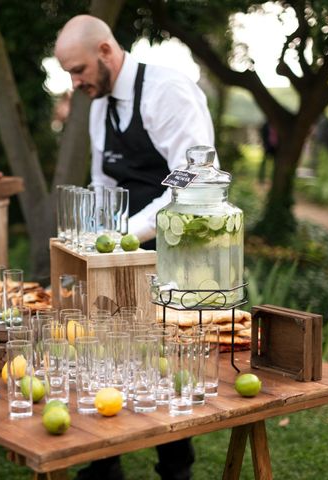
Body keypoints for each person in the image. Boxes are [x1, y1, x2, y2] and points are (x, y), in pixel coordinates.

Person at [55, 15, 215, 480]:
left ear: (106, 51)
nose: (75, 81)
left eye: (78, 69)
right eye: (69, 73)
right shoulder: (101, 102)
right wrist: (92, 235)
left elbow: (193, 177)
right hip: (120, 251)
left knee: (163, 358)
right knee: (108, 353)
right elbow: (105, 182)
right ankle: (104, 463)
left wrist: (127, 235)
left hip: (176, 247)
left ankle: (175, 468)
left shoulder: (168, 91)